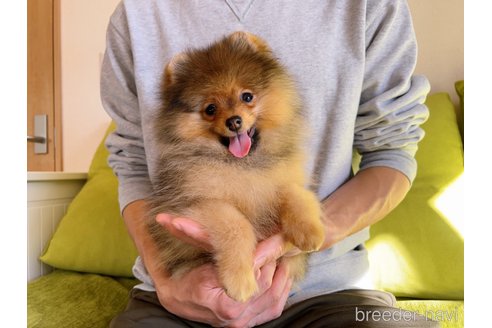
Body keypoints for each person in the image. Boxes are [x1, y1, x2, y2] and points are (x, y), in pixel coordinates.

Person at [101, 0, 437, 326]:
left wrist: (304, 233)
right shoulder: (136, 11)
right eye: (210, 109)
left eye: (247, 98)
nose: (234, 116)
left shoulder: (369, 6)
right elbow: (132, 162)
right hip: (182, 286)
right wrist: (168, 283)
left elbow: (392, 151)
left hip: (328, 293)